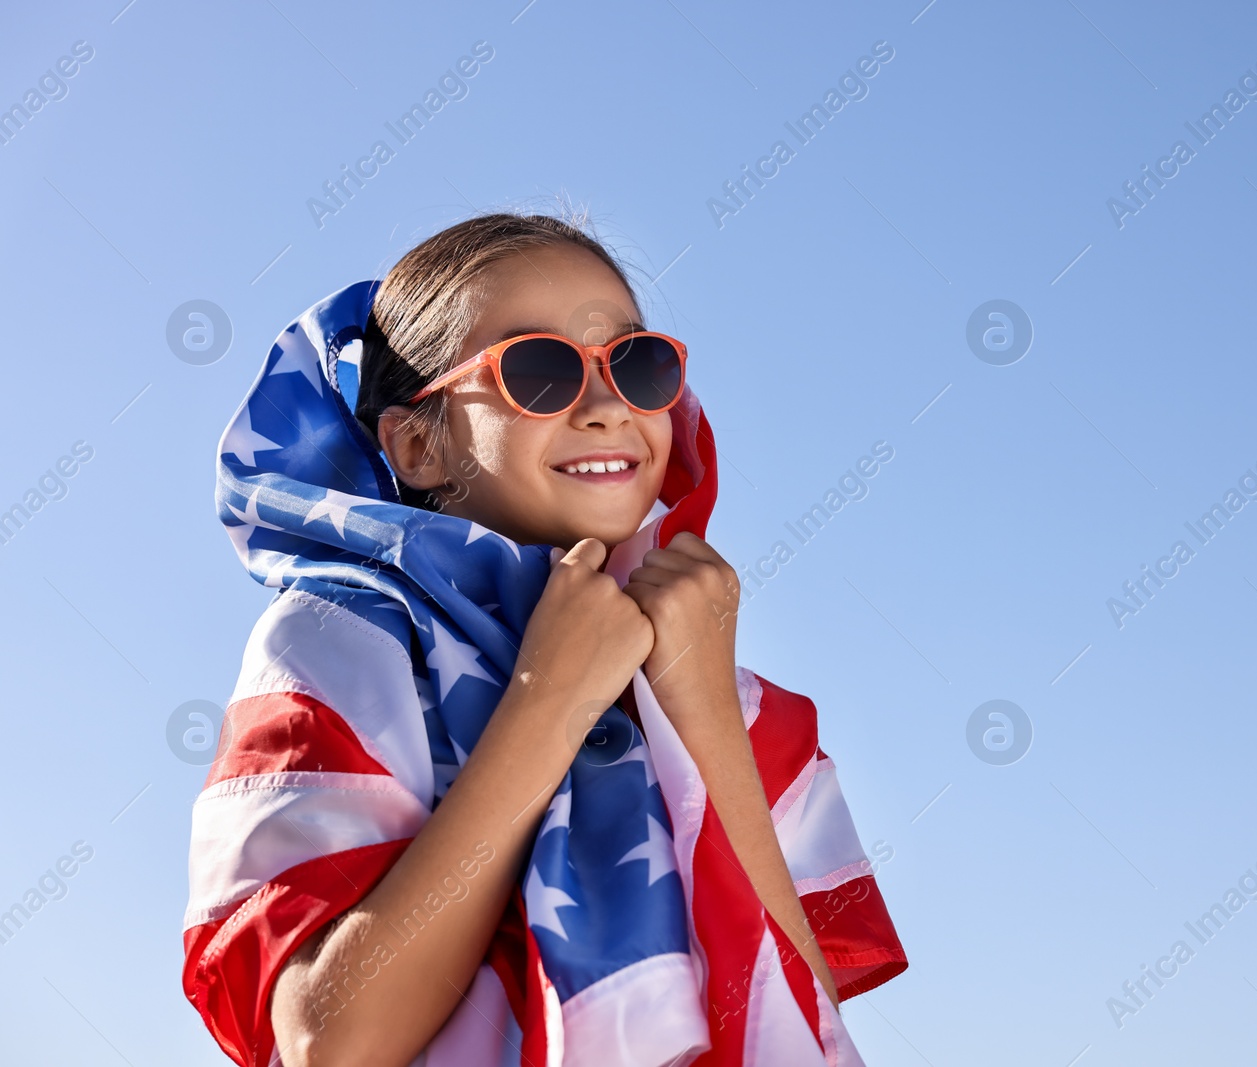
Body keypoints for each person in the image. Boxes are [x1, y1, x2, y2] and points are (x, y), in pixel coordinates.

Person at [181, 210, 907, 1066]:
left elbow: (797, 1022)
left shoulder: (734, 695)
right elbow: (324, 1039)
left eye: (637, 365)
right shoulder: (343, 644)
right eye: (538, 369)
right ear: (417, 443)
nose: (606, 408)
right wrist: (549, 703)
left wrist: (703, 705)